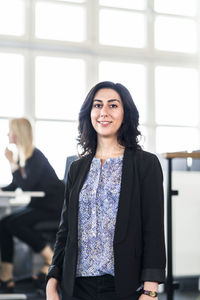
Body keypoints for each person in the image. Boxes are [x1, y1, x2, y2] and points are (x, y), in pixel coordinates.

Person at [46, 81, 166, 300]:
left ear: (125, 113)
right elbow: (65, 231)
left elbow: (154, 229)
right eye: (97, 105)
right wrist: (52, 280)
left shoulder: (145, 164)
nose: (104, 112)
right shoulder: (77, 168)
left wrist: (150, 289)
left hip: (124, 285)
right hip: (76, 286)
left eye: (113, 105)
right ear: (89, 113)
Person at [0, 118, 65, 293]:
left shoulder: (35, 156)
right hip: (38, 205)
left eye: (10, 131)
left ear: (19, 134)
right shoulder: (24, 157)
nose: (8, 134)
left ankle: (49, 259)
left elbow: (27, 185)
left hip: (53, 207)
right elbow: (16, 185)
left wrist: (11, 163)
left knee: (14, 223)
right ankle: (6, 278)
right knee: (4, 224)